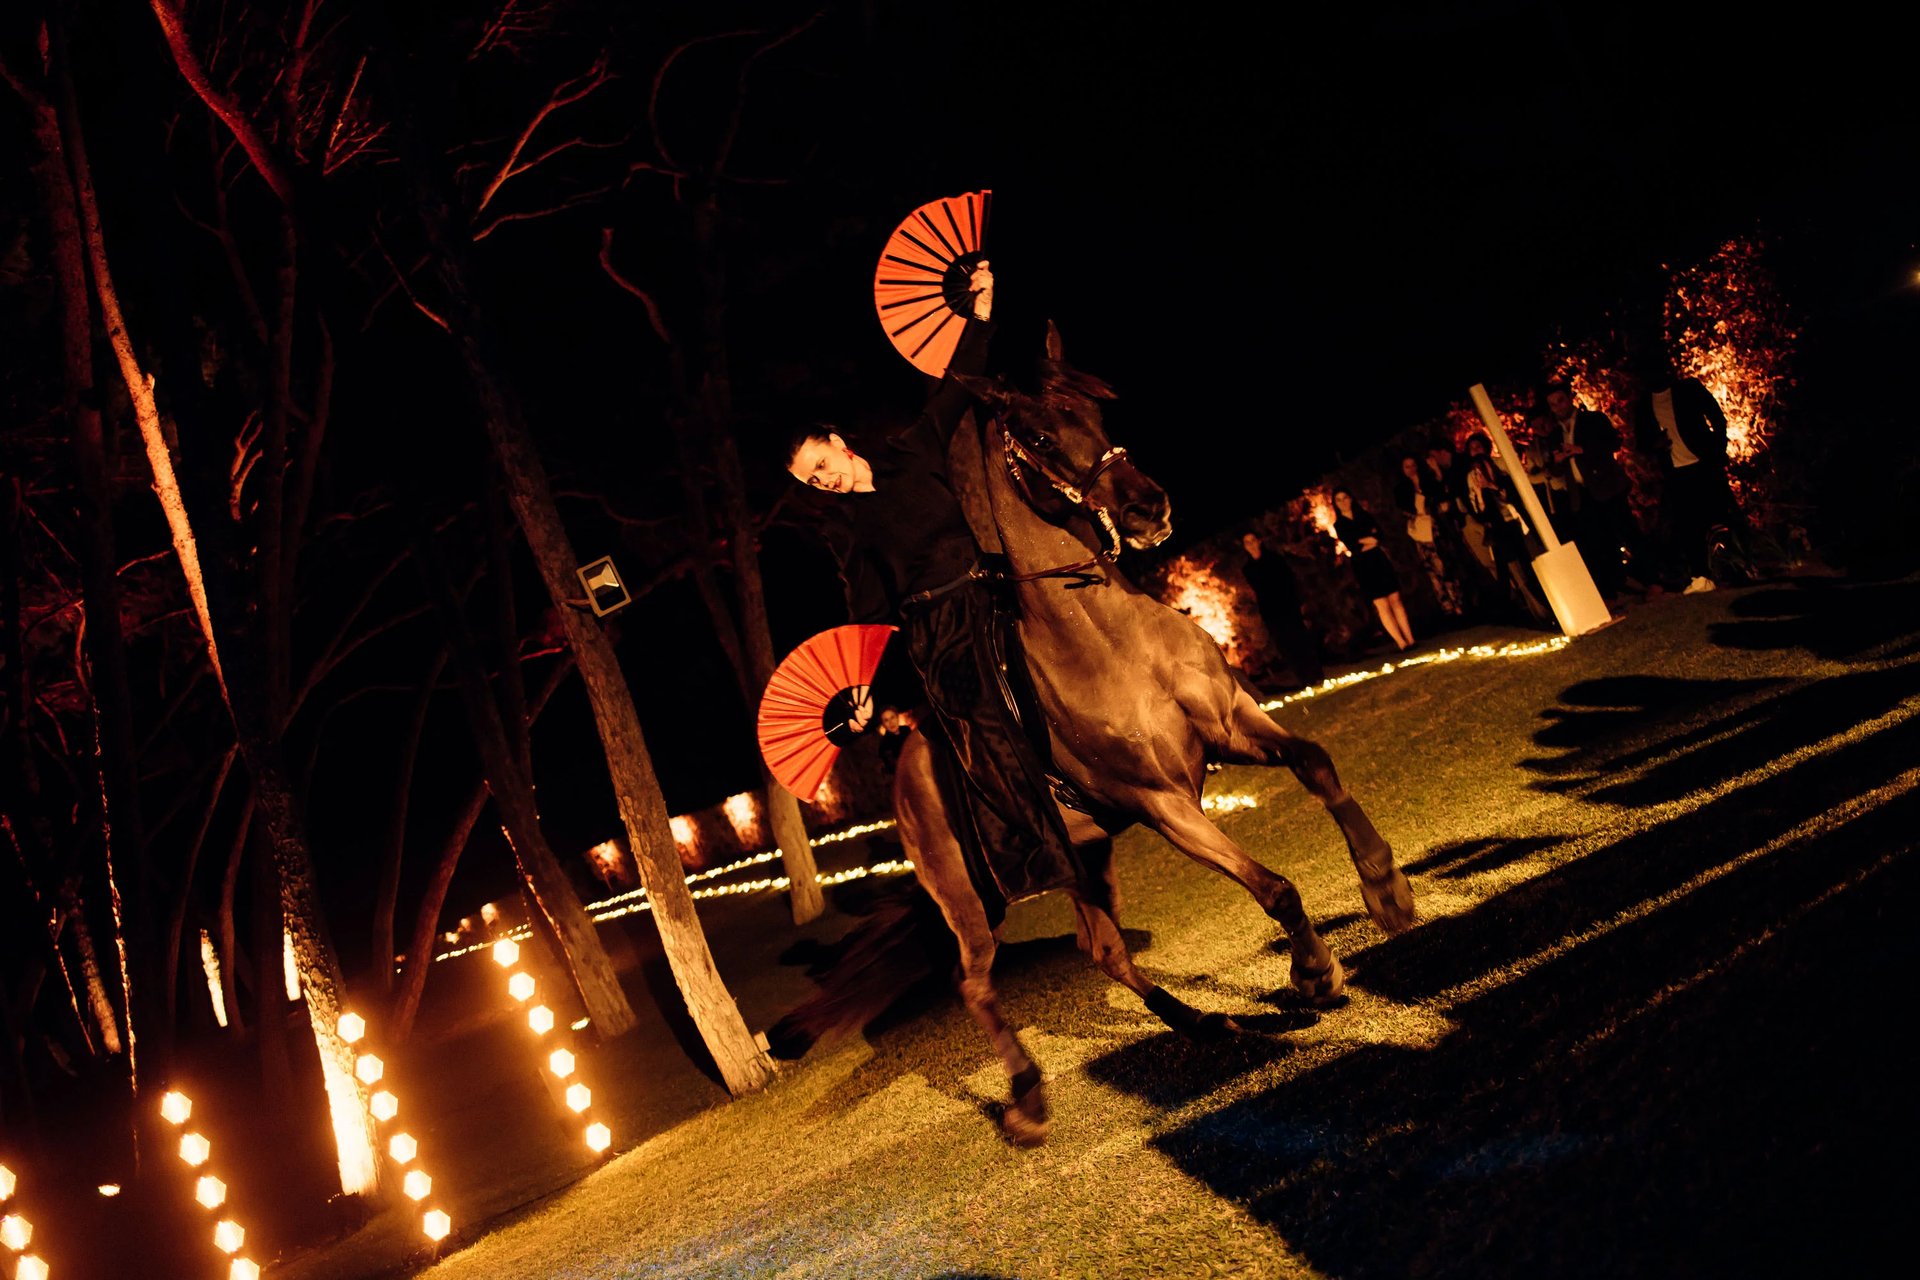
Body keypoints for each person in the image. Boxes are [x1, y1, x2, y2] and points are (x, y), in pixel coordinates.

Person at [785, 263, 1077, 921]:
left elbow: (953, 388)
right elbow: (867, 610)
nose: (822, 481)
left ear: (840, 443)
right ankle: (1036, 855)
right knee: (976, 719)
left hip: (990, 589)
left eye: (821, 465)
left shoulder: (912, 451)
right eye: (811, 480)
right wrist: (863, 688)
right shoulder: (845, 528)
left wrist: (980, 314)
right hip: (937, 628)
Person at [1630, 347, 1733, 593]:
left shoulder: (1688, 389)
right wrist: (1655, 446)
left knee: (1721, 515)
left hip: (1704, 464)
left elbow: (1717, 418)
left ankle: (1736, 567)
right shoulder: (1644, 405)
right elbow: (1641, 441)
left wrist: (1717, 449)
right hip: (1676, 471)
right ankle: (1700, 575)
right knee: (1689, 525)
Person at [1541, 381, 1636, 599]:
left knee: (1627, 532)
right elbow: (1554, 469)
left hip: (1607, 487)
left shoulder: (1592, 420)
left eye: (1561, 401)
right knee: (1600, 543)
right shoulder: (1555, 434)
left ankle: (1652, 580)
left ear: (1569, 398)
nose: (1558, 407)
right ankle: (1615, 589)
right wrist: (1557, 461)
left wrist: (1581, 449)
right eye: (1553, 405)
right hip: (1581, 494)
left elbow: (1613, 442)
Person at [1463, 432, 1550, 623]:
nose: (1476, 451)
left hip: (1517, 522)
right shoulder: (1472, 476)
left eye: (1478, 447)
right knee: (1514, 571)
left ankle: (1548, 606)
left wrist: (1491, 485)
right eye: (1472, 449)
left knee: (1532, 563)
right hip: (1499, 528)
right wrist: (1479, 492)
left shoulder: (1501, 465)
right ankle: (1537, 612)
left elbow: (1512, 493)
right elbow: (1478, 508)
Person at [1332, 488, 1413, 651]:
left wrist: (1367, 541)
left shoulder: (1364, 515)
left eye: (1345, 498)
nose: (1343, 502)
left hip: (1378, 559)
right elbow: (1352, 544)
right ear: (1335, 504)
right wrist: (1367, 539)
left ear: (1351, 498)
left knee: (1395, 598)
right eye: (1338, 500)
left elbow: (1379, 536)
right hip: (1363, 564)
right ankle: (1400, 642)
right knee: (1382, 604)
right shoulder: (1339, 524)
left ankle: (1410, 638)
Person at [1240, 531, 1324, 689]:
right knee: (1285, 645)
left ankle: (1316, 674)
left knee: (1300, 639)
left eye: (1252, 540)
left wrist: (1295, 601)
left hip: (1287, 605)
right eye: (1247, 542)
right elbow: (1259, 588)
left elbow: (1288, 580)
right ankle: (1303, 678)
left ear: (1259, 541)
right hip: (1271, 611)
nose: (1251, 544)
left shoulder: (1274, 559)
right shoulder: (1248, 569)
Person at [1393, 454, 1464, 616]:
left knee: (1447, 565)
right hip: (1422, 532)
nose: (1411, 469)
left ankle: (1459, 602)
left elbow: (1440, 493)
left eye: (1413, 465)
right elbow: (1404, 509)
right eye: (1407, 466)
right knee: (1433, 570)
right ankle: (1447, 606)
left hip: (1438, 528)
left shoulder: (1428, 481)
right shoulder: (1402, 489)